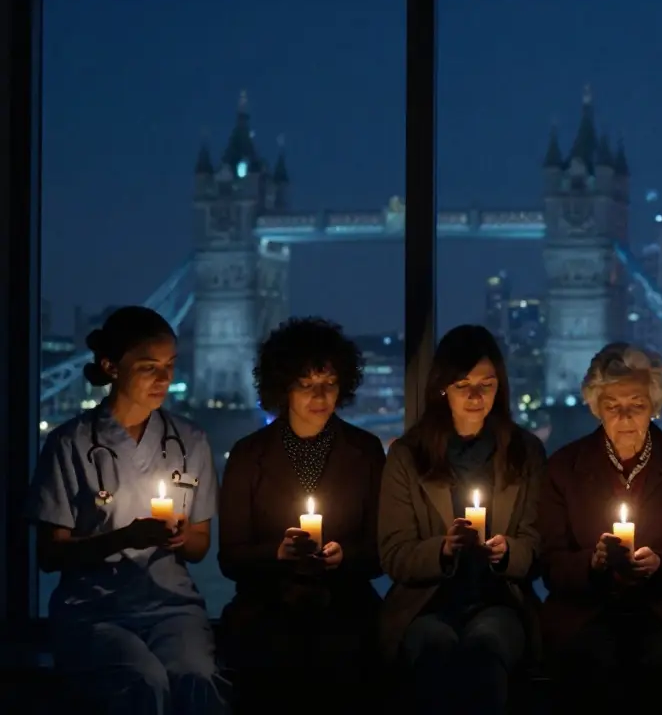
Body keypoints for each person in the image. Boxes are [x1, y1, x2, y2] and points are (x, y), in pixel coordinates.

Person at [26, 305, 226, 714]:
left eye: (170, 365)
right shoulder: (70, 444)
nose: (165, 379)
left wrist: (182, 536)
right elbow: (49, 555)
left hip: (171, 607)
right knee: (141, 681)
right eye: (150, 367)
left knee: (197, 678)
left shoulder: (191, 440)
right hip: (95, 612)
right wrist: (125, 538)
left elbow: (200, 546)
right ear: (111, 367)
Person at [217, 317, 386, 710]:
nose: (320, 395)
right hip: (267, 603)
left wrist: (345, 556)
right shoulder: (248, 455)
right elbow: (230, 557)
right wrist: (278, 554)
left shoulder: (366, 451)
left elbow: (380, 550)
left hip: (345, 601)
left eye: (328, 383)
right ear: (283, 388)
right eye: (306, 384)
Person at [538, 343, 662, 713]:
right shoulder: (564, 467)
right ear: (595, 408)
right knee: (593, 665)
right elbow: (551, 565)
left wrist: (661, 566)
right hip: (587, 611)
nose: (625, 416)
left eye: (636, 403)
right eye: (612, 406)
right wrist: (594, 562)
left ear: (654, 403)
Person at [378, 324, 545, 714]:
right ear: (442, 388)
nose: (475, 396)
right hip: (426, 603)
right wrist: (443, 549)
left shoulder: (525, 453)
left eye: (486, 385)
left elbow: (537, 546)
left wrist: (506, 553)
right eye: (462, 385)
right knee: (436, 651)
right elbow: (393, 554)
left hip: (500, 600)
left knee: (485, 651)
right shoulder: (407, 456)